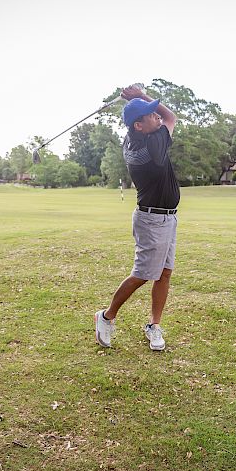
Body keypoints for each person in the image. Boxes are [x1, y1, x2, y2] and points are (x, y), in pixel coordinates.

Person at [95, 84, 179, 351]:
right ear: (140, 127)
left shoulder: (134, 137)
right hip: (152, 220)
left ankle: (154, 325)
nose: (156, 116)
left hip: (167, 218)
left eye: (153, 113)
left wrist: (138, 101)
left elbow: (159, 119)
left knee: (164, 273)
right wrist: (140, 95)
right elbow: (171, 118)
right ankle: (106, 316)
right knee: (143, 274)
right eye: (150, 115)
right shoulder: (152, 147)